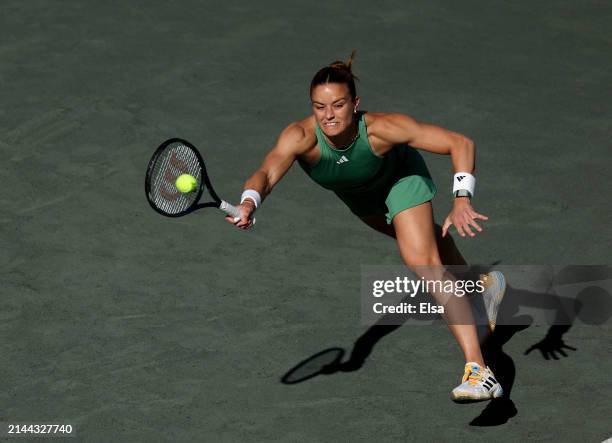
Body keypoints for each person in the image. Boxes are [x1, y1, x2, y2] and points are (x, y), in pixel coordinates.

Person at [227, 52, 505, 402]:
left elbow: (459, 143)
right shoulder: (300, 136)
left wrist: (462, 199)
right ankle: (481, 290)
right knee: (429, 244)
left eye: (338, 105)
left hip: (401, 180)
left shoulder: (382, 129)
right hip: (362, 200)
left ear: (355, 104)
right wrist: (250, 200)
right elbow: (266, 172)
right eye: (319, 107)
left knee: (424, 264)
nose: (328, 115)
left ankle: (480, 371)